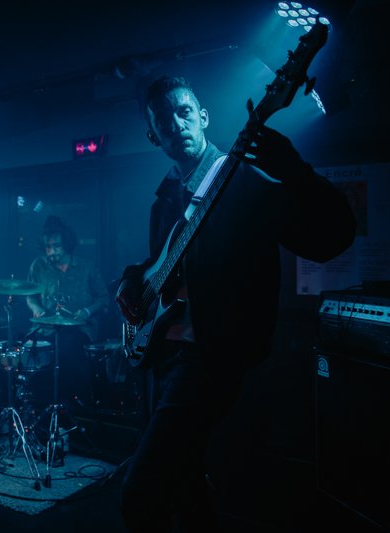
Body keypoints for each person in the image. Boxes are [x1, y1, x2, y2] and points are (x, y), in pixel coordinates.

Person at [114, 75, 356, 531]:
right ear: (153, 136)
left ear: (203, 117)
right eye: (164, 120)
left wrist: (296, 171)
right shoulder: (164, 199)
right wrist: (128, 282)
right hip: (164, 357)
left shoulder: (245, 182)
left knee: (139, 494)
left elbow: (332, 238)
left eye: (184, 111)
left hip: (209, 360)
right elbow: (161, 264)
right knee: (186, 491)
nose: (176, 124)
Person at [25, 215, 109, 409]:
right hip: (46, 328)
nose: (51, 251)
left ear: (67, 245)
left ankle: (71, 404)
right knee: (28, 350)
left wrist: (87, 311)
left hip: (79, 328)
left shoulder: (86, 267)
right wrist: (36, 308)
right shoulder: (38, 266)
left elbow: (103, 297)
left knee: (66, 349)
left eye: (56, 246)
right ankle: (39, 405)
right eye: (47, 247)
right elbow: (30, 295)